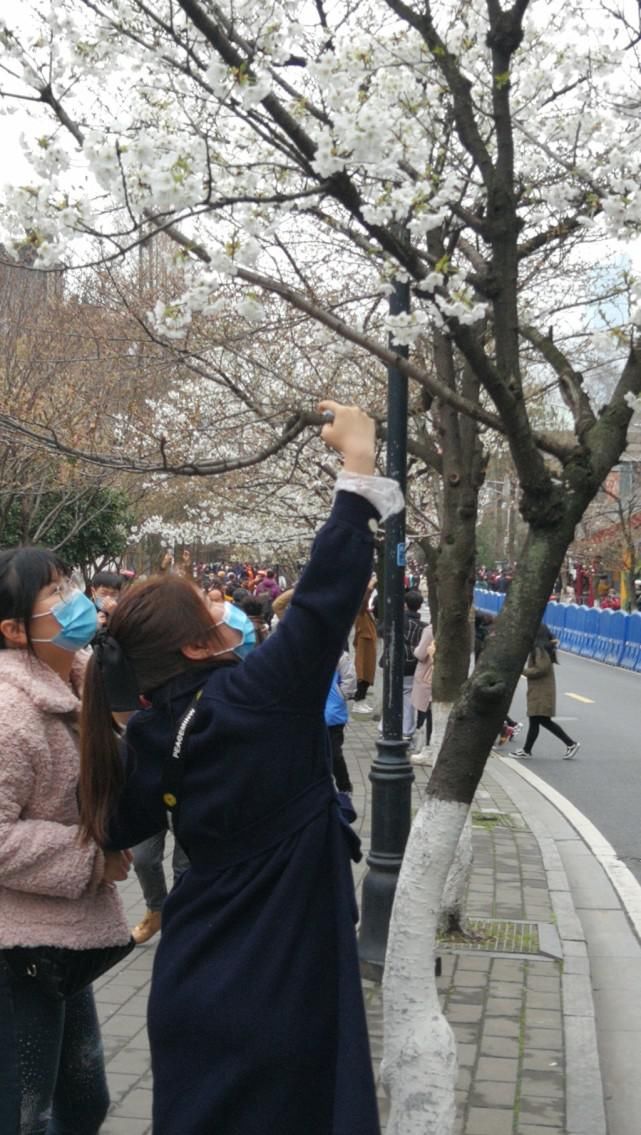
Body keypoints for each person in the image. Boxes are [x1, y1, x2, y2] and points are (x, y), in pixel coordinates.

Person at [78, 402, 402, 1135]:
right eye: (207, 612)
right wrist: (356, 465)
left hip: (193, 981)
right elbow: (325, 598)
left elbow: (121, 827)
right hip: (281, 988)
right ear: (196, 647)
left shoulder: (150, 732)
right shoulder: (263, 696)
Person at [0, 548, 132, 1135]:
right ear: (13, 630)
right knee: (27, 1115)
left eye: (68, 582)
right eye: (54, 593)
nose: (75, 598)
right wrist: (89, 858)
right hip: (17, 950)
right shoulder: (9, 716)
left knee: (83, 1103)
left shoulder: (77, 685)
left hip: (55, 943)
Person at [512, 625, 580, 760]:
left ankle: (570, 743)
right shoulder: (543, 648)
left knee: (541, 720)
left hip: (541, 691)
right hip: (540, 690)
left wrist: (523, 671)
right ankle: (527, 750)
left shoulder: (539, 649)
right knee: (537, 720)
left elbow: (541, 668)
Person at [325, 651, 357, 794]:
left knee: (334, 753)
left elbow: (349, 679)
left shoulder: (339, 655)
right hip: (309, 715)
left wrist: (340, 696)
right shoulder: (303, 650)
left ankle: (344, 786)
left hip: (333, 715)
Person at [409, 623, 435, 765]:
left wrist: (416, 649)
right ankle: (427, 747)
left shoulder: (431, 629)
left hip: (428, 674)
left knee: (425, 712)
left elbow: (420, 654)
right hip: (443, 678)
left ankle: (425, 748)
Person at [352, 579, 377, 715]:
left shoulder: (365, 612)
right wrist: (370, 586)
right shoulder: (360, 611)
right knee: (363, 675)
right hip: (364, 647)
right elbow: (364, 600)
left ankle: (362, 700)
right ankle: (358, 701)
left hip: (368, 647)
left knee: (367, 675)